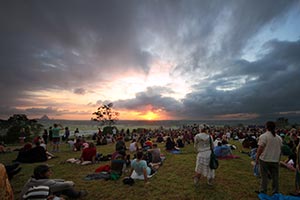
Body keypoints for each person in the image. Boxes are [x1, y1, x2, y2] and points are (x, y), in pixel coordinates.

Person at [20, 164, 87, 199]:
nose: (50, 172)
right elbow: (67, 185)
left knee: (60, 185)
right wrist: (71, 182)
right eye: (48, 171)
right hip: (41, 197)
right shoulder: (48, 184)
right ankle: (77, 194)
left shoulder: (31, 180)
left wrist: (62, 180)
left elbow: (50, 181)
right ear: (42, 174)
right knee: (64, 187)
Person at [255, 121, 282, 194]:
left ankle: (263, 190)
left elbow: (260, 148)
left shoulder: (264, 136)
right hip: (275, 160)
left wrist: (257, 158)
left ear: (266, 127)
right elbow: (280, 150)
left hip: (265, 159)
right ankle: (275, 191)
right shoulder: (279, 138)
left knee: (264, 177)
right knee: (275, 177)